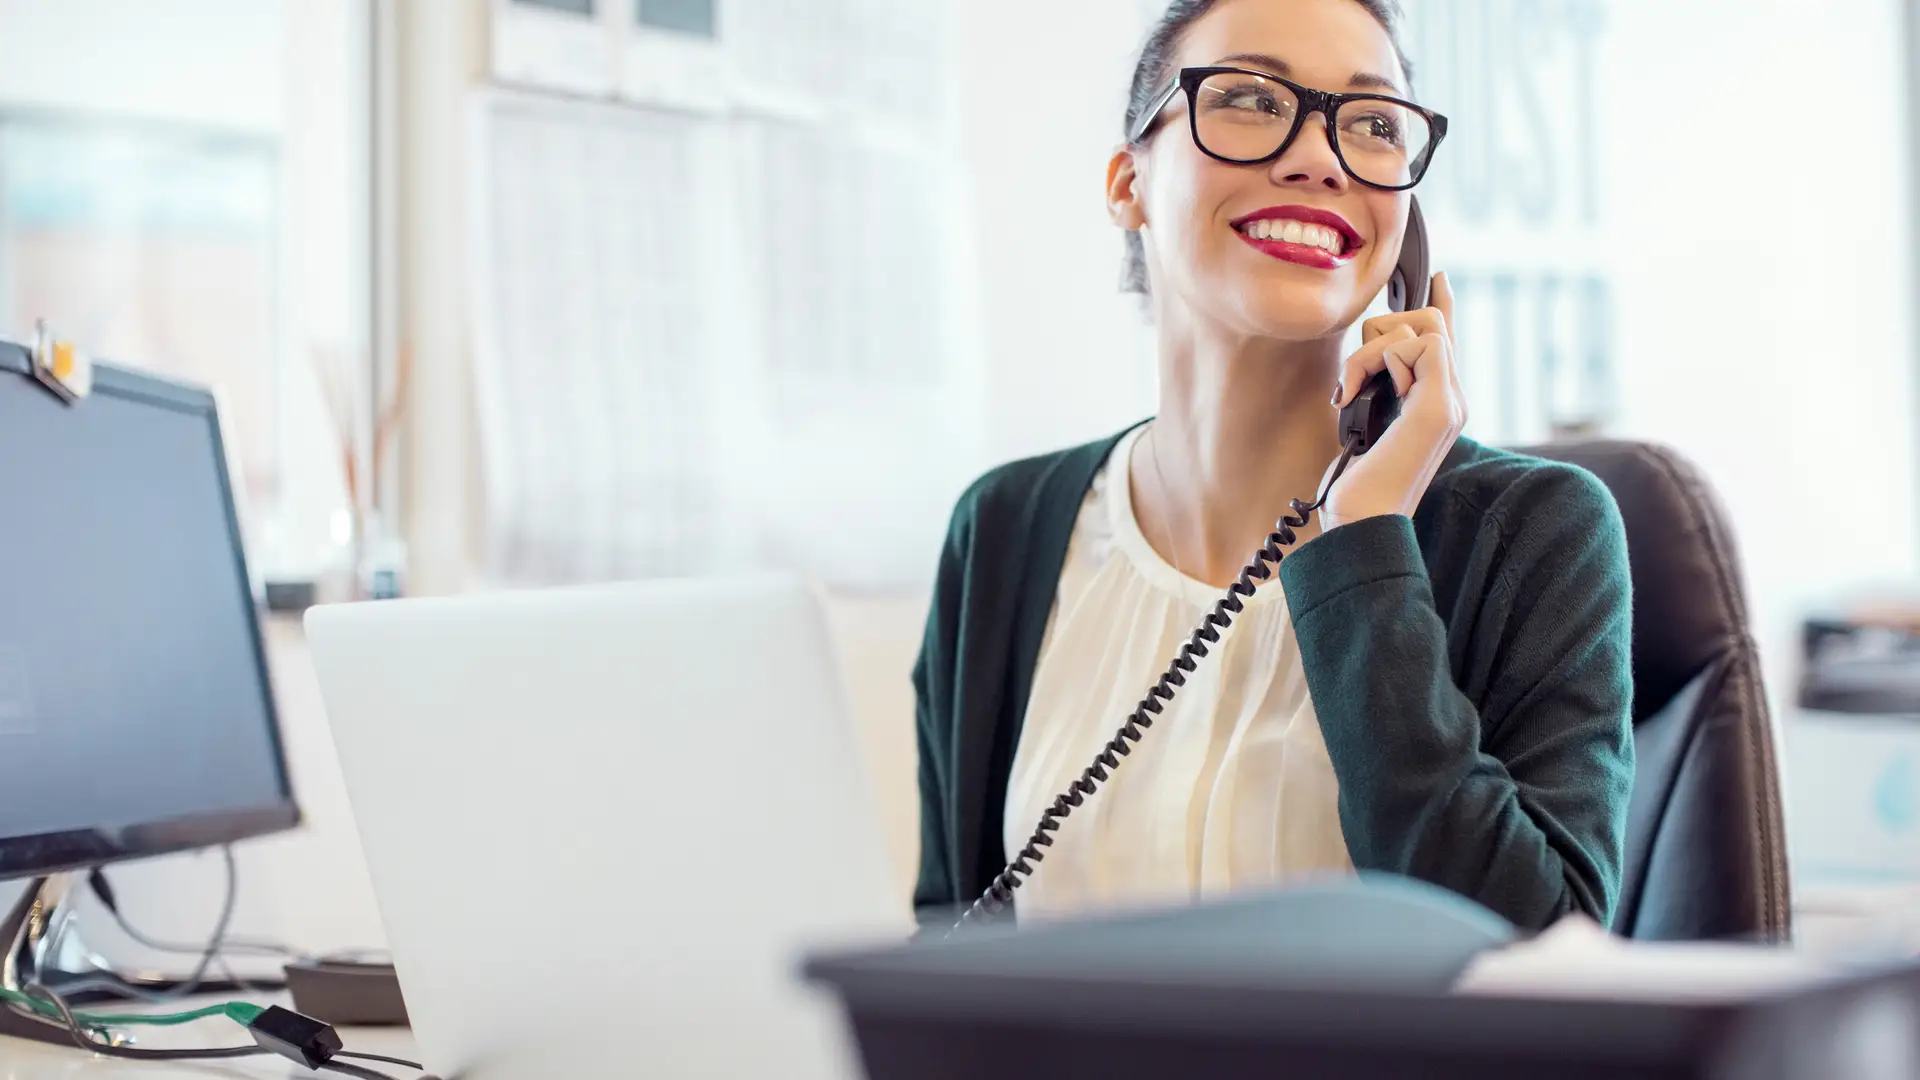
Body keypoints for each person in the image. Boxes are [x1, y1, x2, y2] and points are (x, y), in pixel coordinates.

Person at [910, 0, 1634, 933]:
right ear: (1128, 182)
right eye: (1251, 99)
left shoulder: (1537, 534)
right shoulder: (1003, 532)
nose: (1320, 157)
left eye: (1372, 123)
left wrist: (1367, 544)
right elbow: (948, 948)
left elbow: (1538, 960)